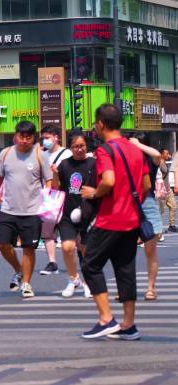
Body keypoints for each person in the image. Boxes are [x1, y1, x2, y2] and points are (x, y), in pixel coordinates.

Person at [79, 104, 149, 340]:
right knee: (125, 268)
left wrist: (93, 193)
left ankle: (106, 318)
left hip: (111, 218)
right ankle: (129, 325)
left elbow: (108, 181)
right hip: (132, 220)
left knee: (90, 264)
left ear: (100, 124)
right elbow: (146, 186)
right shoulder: (135, 149)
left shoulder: (105, 150)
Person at [0, 121, 52, 298]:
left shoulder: (40, 155)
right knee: (2, 243)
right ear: (15, 136)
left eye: (28, 137)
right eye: (21, 136)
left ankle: (27, 284)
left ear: (33, 138)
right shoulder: (6, 154)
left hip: (32, 211)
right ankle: (18, 269)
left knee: (29, 248)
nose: (24, 140)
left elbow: (49, 180)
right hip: (8, 209)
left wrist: (47, 201)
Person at [50, 130, 93, 298]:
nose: (79, 149)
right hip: (67, 212)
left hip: (88, 213)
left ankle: (89, 283)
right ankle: (73, 279)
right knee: (68, 247)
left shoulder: (93, 163)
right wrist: (54, 173)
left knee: (85, 249)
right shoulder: (65, 165)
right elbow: (56, 187)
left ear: (86, 146)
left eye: (82, 146)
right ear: (71, 148)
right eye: (75, 146)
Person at [128, 136, 162, 301]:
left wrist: (139, 145)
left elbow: (157, 155)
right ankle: (126, 288)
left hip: (147, 203)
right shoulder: (126, 160)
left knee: (150, 250)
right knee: (126, 252)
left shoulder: (149, 160)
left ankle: (151, 288)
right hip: (128, 205)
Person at [38, 125, 72, 276]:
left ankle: (77, 260)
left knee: (69, 231)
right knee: (47, 232)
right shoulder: (41, 154)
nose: (45, 141)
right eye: (43, 138)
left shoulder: (66, 154)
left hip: (64, 196)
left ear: (56, 137)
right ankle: (52, 262)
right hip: (47, 197)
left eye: (47, 137)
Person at [159, 149, 176, 233]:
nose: (168, 155)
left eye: (168, 153)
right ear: (161, 154)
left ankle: (171, 225)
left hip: (168, 189)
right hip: (162, 191)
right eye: (166, 153)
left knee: (173, 206)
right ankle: (158, 229)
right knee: (160, 210)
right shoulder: (158, 163)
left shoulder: (164, 163)